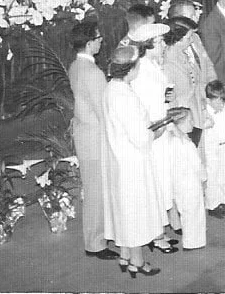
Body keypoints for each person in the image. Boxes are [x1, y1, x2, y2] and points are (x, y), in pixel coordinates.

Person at [102, 45, 176, 278]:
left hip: (120, 157)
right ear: (131, 69)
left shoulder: (112, 88)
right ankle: (137, 260)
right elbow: (140, 137)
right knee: (135, 210)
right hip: (133, 160)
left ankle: (125, 254)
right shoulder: (125, 96)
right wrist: (158, 131)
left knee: (124, 208)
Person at [128, 22, 180, 254]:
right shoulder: (143, 70)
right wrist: (159, 127)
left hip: (162, 128)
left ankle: (160, 230)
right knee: (157, 183)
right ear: (148, 45)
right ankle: (156, 236)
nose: (163, 46)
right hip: (155, 132)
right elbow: (146, 107)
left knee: (163, 181)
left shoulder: (152, 65)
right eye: (159, 42)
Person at [68, 21, 117, 261]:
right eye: (98, 38)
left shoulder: (76, 65)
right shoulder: (92, 72)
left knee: (95, 190)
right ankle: (95, 243)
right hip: (95, 138)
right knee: (96, 193)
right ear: (89, 43)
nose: (101, 41)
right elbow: (103, 111)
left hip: (85, 135)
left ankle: (98, 237)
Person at [163, 14, 209, 147]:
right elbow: (171, 100)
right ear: (177, 39)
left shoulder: (182, 54)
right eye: (188, 38)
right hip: (184, 119)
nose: (191, 41)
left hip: (195, 110)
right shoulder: (168, 64)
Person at [201, 80, 225, 219]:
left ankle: (221, 202)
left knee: (224, 175)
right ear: (208, 100)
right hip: (213, 149)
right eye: (217, 100)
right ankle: (212, 205)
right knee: (213, 177)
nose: (220, 103)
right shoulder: (206, 113)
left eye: (222, 100)